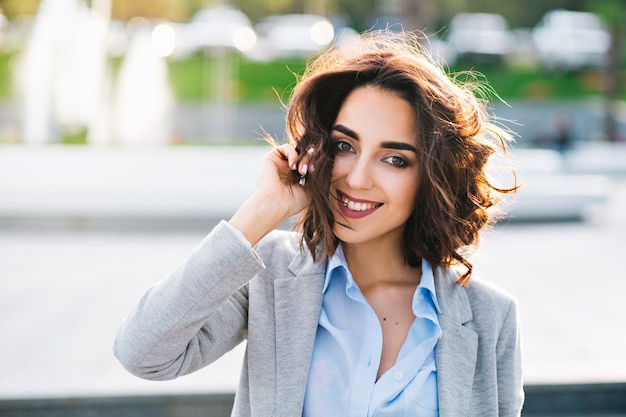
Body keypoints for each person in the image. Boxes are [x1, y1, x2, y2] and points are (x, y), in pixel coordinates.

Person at [114, 30, 523, 416]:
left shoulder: (490, 316)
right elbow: (143, 354)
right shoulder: (270, 276)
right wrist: (263, 209)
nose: (358, 178)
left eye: (394, 159)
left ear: (433, 175)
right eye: (345, 146)